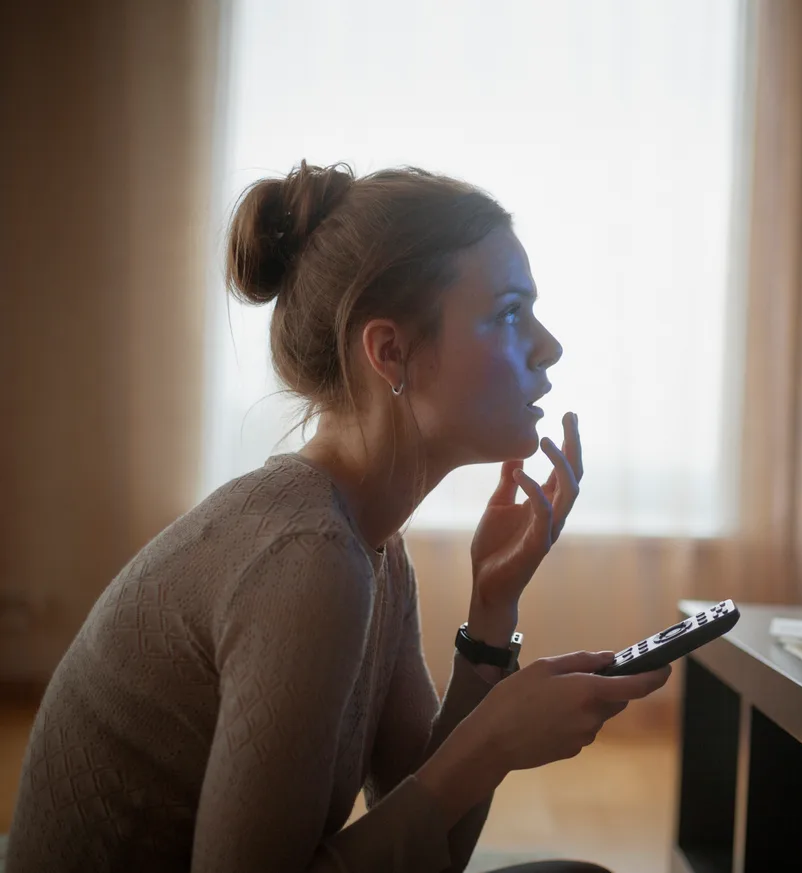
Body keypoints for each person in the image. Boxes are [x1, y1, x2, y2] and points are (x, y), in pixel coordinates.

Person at [7, 161, 671, 873]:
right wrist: (494, 741)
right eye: (510, 312)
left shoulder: (371, 547)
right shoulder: (308, 556)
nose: (550, 347)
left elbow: (431, 847)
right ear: (390, 352)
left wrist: (491, 611)